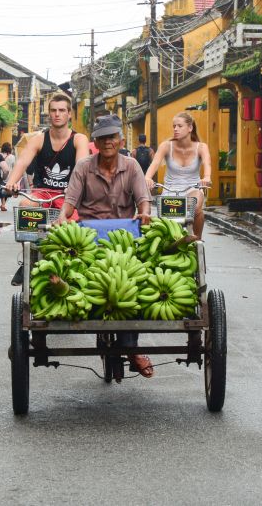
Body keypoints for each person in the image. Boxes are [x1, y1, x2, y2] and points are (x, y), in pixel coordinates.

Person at [58, 114, 154, 378]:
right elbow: (70, 201)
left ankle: (131, 348)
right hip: (89, 239)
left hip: (125, 238)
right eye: (102, 138)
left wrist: (144, 213)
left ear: (120, 140)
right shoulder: (83, 167)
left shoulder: (132, 166)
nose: (108, 142)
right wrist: (61, 216)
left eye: (112, 137)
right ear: (95, 143)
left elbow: (143, 198)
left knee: (130, 285)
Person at [4, 94, 89, 284]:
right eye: (53, 110)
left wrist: (73, 189)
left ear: (69, 114)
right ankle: (31, 255)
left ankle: (74, 268)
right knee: (26, 203)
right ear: (48, 114)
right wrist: (12, 182)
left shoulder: (79, 139)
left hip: (69, 195)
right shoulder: (38, 139)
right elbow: (22, 162)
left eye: (61, 110)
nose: (57, 114)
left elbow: (81, 167)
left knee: (73, 233)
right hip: (43, 193)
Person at [144, 112, 212, 238]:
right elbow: (155, 163)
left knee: (197, 207)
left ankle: (197, 239)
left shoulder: (201, 147)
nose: (175, 129)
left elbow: (207, 164)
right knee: (165, 226)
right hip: (170, 190)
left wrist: (207, 177)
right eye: (174, 126)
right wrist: (147, 178)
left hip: (192, 189)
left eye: (180, 126)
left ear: (190, 128)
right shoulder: (166, 146)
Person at [0, 142, 16, 212]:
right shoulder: (12, 157)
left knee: (2, 190)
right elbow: (14, 167)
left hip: (0, 175)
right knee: (7, 190)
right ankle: (3, 204)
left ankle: (3, 204)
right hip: (9, 176)